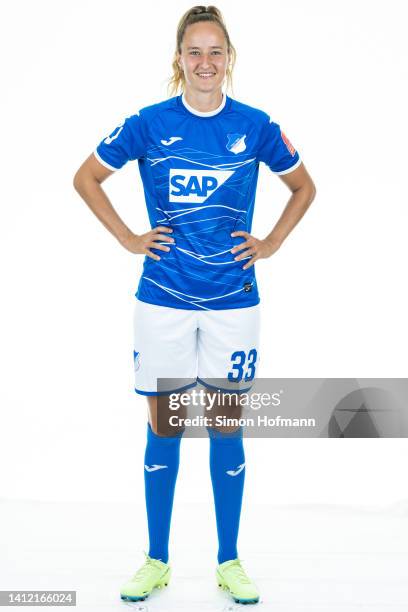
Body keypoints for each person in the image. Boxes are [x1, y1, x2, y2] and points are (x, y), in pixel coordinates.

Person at [73, 4, 316, 606]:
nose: (205, 62)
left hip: (234, 300)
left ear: (229, 59)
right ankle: (156, 560)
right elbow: (86, 177)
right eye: (194, 52)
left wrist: (273, 241)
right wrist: (130, 238)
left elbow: (304, 185)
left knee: (227, 429)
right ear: (178, 61)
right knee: (165, 429)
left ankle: (229, 561)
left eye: (215, 52)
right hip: (164, 299)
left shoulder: (256, 124)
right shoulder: (149, 123)